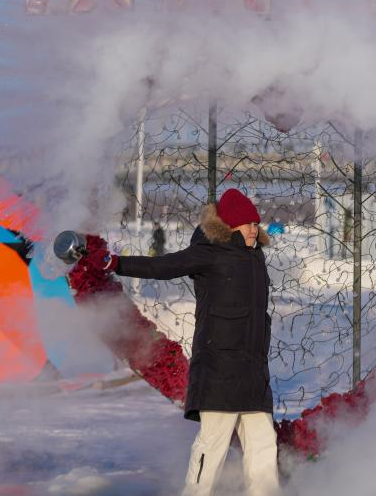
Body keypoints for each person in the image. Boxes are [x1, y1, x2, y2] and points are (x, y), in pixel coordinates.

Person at [112, 188, 279, 496]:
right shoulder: (209, 252)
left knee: (263, 441)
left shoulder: (255, 258)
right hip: (219, 367)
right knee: (213, 442)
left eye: (256, 224)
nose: (255, 230)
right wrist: (116, 264)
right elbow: (162, 266)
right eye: (248, 224)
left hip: (253, 369)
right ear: (230, 226)